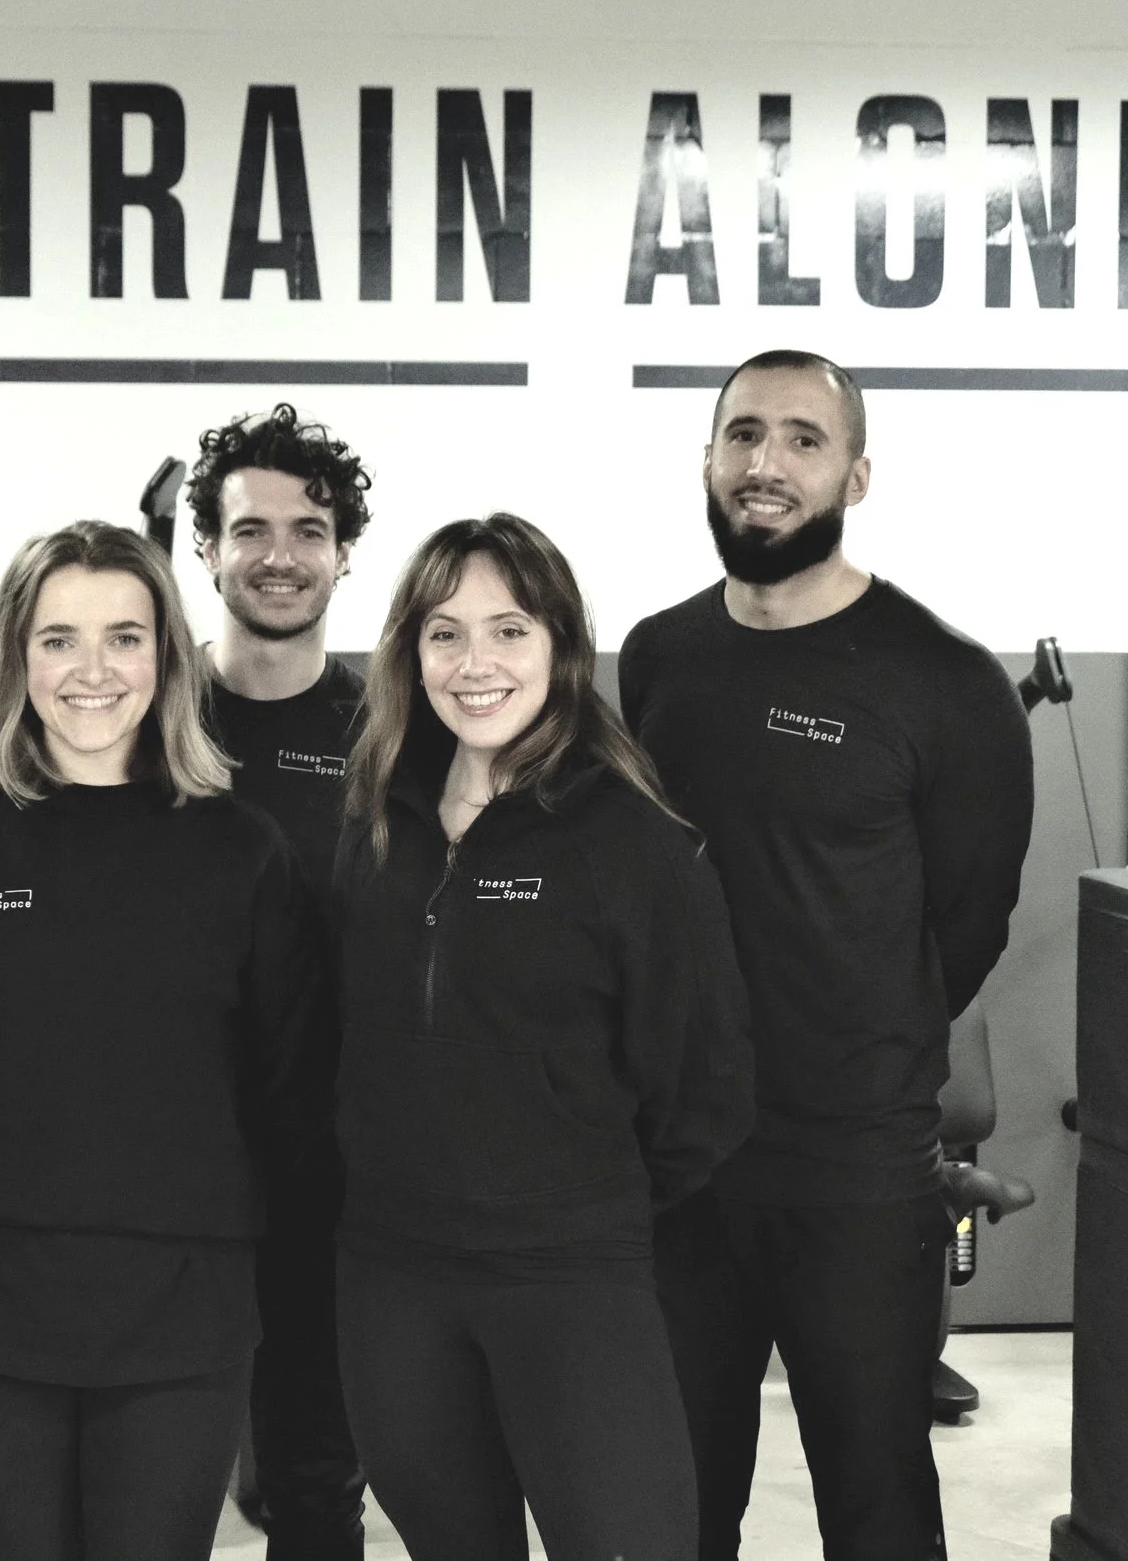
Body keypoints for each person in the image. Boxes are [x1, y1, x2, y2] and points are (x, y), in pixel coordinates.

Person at [618, 350, 1034, 1561]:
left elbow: (968, 922)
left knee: (876, 1501)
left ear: (856, 475)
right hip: (684, 1162)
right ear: (705, 460)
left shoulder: (944, 681)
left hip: (855, 1172)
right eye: (742, 433)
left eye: (804, 439)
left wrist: (856, 1045)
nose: (766, 462)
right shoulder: (657, 655)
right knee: (672, 1502)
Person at [0, 520, 330, 1561]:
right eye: (58, 638)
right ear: (15, 658)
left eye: (124, 636)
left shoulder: (243, 854)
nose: (92, 669)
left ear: (165, 656)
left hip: (182, 1309)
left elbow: (286, 1079)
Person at [330, 512, 753, 1561]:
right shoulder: (377, 820)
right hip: (395, 1275)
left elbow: (702, 1091)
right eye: (444, 633)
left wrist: (564, 1190)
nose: (474, 662)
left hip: (571, 1275)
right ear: (410, 653)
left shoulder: (632, 841)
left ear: (561, 644)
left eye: (508, 629)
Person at [184, 404, 370, 1561]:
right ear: (207, 548)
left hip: (326, 1175)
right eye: (250, 527)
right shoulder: (144, 718)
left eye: (309, 529)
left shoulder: (387, 730)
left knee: (314, 1481)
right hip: (168, 1170)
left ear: (345, 553)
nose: (280, 553)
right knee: (147, 1486)